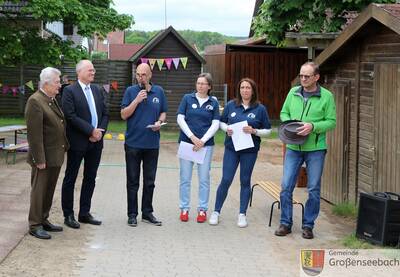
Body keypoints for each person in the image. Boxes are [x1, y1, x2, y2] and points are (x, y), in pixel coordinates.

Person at [274, 61, 336, 239]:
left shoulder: (327, 96)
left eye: (306, 76)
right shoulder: (293, 93)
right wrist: (290, 121)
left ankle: (308, 226)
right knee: (286, 186)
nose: (302, 79)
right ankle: (285, 223)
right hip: (293, 146)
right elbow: (283, 113)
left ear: (316, 77)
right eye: (301, 75)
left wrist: (312, 126)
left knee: (314, 189)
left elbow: (331, 122)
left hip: (315, 149)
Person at [209, 78, 271, 228]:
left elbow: (268, 131)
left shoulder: (260, 109)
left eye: (248, 88)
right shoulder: (231, 105)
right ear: (239, 90)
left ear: (253, 90)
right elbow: (222, 122)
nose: (245, 90)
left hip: (249, 151)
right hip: (232, 149)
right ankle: (216, 212)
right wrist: (226, 129)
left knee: (245, 180)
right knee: (226, 179)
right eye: (242, 87)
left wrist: (254, 131)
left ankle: (242, 214)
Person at [61, 60, 109, 229]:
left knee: (90, 178)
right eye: (90, 70)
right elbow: (70, 116)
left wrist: (99, 132)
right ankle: (68, 214)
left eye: (94, 70)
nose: (93, 72)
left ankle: (84, 213)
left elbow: (105, 113)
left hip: (96, 143)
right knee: (71, 178)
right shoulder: (69, 91)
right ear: (79, 72)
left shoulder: (97, 90)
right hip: (78, 142)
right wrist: (90, 131)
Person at [121, 63, 167, 227]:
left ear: (150, 75)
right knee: (133, 181)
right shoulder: (130, 91)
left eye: (144, 75)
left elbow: (163, 111)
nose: (141, 77)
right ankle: (132, 214)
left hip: (152, 144)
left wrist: (159, 122)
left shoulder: (159, 91)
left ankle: (147, 213)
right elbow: (124, 115)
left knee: (150, 181)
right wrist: (136, 101)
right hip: (133, 143)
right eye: (138, 74)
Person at [25, 67, 69, 239]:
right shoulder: (35, 101)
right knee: (39, 191)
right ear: (47, 83)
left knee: (49, 190)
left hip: (54, 154)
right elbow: (34, 135)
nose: (60, 86)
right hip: (43, 157)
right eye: (57, 82)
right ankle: (35, 225)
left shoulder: (50, 99)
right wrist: (38, 159)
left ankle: (44, 219)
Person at [176, 73, 220, 223]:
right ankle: (184, 208)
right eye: (198, 83)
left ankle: (202, 210)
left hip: (205, 146)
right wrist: (192, 138)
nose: (200, 86)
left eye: (203, 83)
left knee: (204, 179)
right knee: (185, 178)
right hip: (187, 144)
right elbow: (180, 118)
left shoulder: (213, 103)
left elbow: (215, 124)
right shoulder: (187, 98)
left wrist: (202, 140)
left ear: (209, 86)